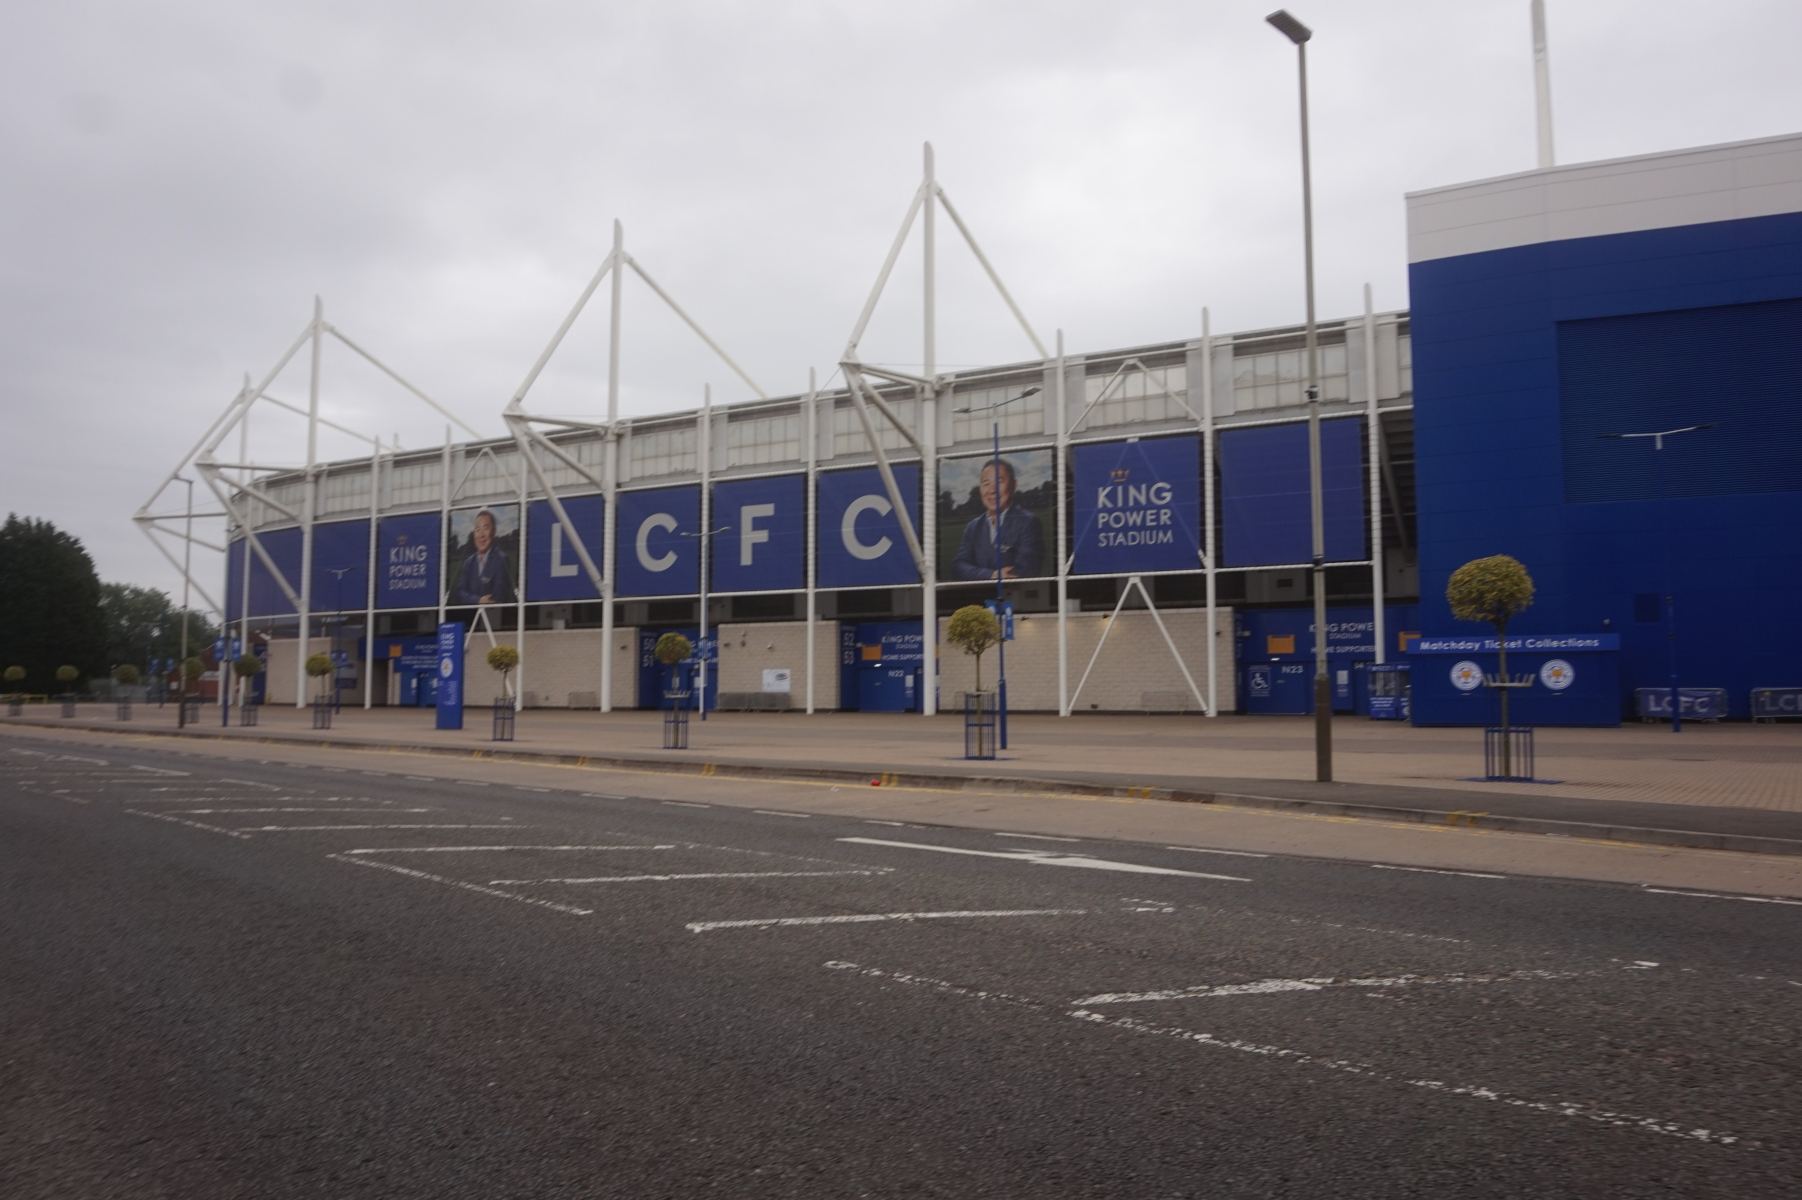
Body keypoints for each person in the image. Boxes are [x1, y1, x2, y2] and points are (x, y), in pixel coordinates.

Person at [951, 459, 1043, 581]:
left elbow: (1023, 570)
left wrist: (975, 573)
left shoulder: (1028, 522)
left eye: (999, 481)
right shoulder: (973, 527)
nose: (992, 490)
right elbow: (958, 566)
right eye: (986, 483)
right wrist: (991, 574)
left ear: (1013, 485)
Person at [451, 509, 516, 605]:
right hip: (470, 616)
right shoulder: (468, 562)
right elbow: (460, 593)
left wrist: (471, 599)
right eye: (477, 530)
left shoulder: (501, 559)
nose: (481, 535)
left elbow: (497, 598)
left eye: (485, 528)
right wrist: (478, 600)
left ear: (493, 532)